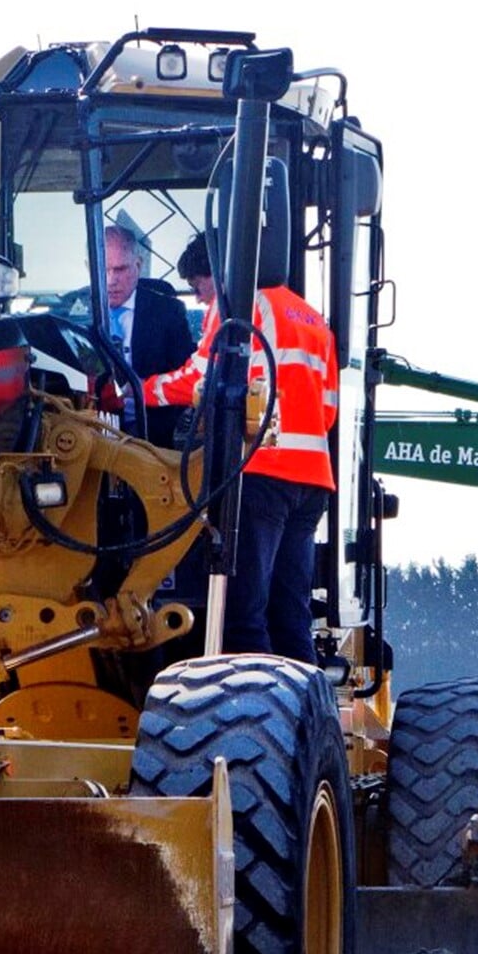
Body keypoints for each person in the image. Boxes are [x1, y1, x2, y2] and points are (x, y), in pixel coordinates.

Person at [143, 237, 338, 663]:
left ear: (217, 274)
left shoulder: (239, 306)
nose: (200, 299)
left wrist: (136, 391)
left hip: (263, 471)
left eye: (198, 287)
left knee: (242, 613)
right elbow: (327, 411)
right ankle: (302, 708)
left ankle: (260, 712)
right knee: (290, 613)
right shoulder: (312, 319)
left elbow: (199, 377)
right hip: (312, 481)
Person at [100, 225, 196, 447]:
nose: (111, 280)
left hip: (152, 433)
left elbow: (184, 375)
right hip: (91, 432)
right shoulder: (71, 312)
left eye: (120, 269)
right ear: (90, 267)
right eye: (104, 270)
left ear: (138, 266)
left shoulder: (168, 313)